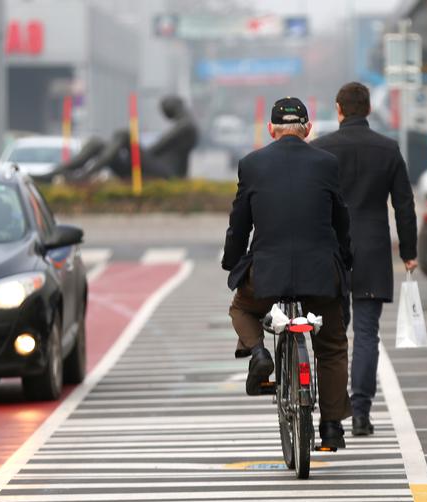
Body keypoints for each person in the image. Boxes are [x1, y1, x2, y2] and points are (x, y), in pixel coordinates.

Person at [222, 97, 353, 450]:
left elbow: (239, 224)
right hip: (320, 273)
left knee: (241, 308)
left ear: (271, 130)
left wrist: (231, 260)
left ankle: (259, 353)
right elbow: (340, 219)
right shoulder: (327, 164)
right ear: (308, 129)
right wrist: (346, 259)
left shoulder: (251, 164)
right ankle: (330, 428)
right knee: (332, 346)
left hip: (268, 273)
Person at [311, 82, 418, 437]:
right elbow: (404, 204)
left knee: (333, 335)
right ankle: (360, 414)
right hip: (373, 251)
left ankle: (332, 414)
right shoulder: (388, 149)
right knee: (367, 334)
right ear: (369, 110)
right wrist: (409, 252)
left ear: (339, 109)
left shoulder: (322, 149)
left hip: (331, 255)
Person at [54, 95, 198, 180]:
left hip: (167, 173)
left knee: (124, 135)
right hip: (156, 167)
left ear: (175, 105)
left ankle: (87, 175)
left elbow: (156, 149)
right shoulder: (184, 124)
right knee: (97, 143)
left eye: (165, 109)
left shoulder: (186, 126)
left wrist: (127, 150)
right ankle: (58, 171)